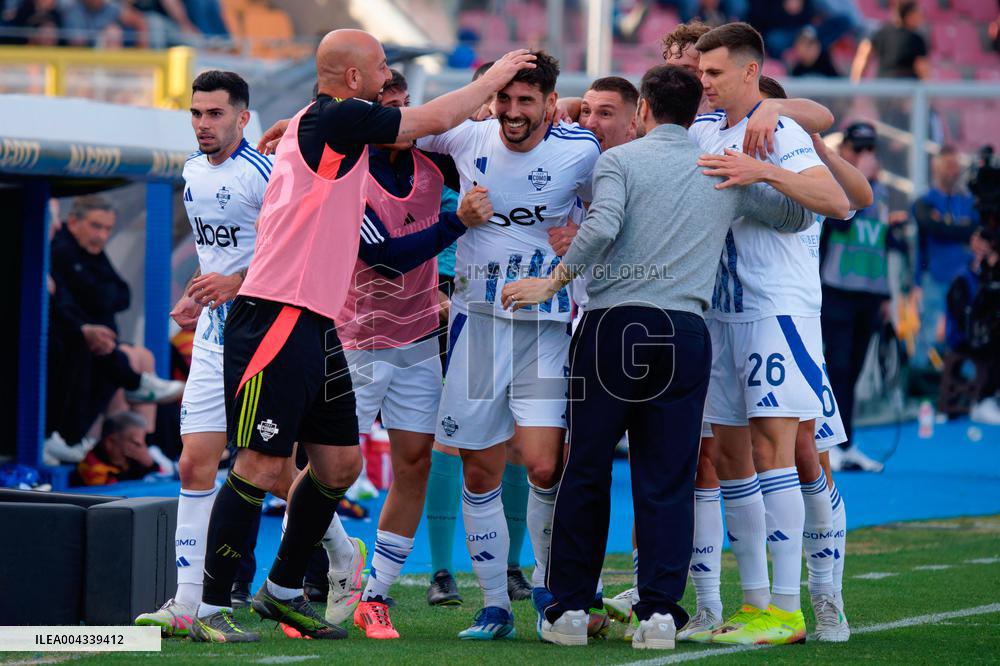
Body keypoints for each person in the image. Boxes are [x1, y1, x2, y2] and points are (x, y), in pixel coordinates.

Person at [187, 30, 536, 644]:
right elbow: (431, 119)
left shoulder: (321, 121)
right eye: (379, 68)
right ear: (352, 79)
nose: (385, 77)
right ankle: (208, 606)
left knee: (341, 464)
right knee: (260, 465)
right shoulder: (340, 118)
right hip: (276, 315)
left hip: (316, 320)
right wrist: (492, 78)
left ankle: (283, 590)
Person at [500, 64, 812, 649]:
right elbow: (797, 215)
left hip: (615, 325)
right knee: (668, 477)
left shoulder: (621, 161)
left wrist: (553, 281)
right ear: (695, 112)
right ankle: (661, 615)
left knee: (586, 468)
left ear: (643, 108)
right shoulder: (721, 167)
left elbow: (602, 226)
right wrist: (763, 172)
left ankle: (570, 610)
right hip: (686, 331)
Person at [415, 51, 601, 641]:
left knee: (544, 464)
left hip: (544, 330)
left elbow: (614, 211)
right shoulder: (467, 134)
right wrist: (297, 126)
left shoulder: (581, 150)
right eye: (505, 98)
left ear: (550, 102)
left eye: (526, 101)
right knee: (478, 469)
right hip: (477, 326)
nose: (512, 112)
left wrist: (582, 235)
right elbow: (400, 124)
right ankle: (494, 605)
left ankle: (549, 588)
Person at [310, 69, 496, 640]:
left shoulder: (432, 164)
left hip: (416, 339)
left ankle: (375, 596)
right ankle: (308, 577)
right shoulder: (348, 173)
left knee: (415, 463)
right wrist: (457, 222)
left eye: (406, 104)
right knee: (327, 471)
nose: (402, 117)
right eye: (389, 107)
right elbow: (386, 257)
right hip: (355, 341)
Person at [687, 21, 848, 646]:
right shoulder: (703, 129)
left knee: (779, 450)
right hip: (719, 313)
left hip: (776, 309)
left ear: (751, 71)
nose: (705, 83)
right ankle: (754, 603)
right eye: (701, 73)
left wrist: (762, 171)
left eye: (715, 73)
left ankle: (793, 606)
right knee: (731, 456)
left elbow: (833, 199)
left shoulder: (778, 130)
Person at [133, 70, 271, 638]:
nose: (203, 124)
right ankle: (187, 601)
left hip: (265, 336)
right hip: (214, 338)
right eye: (196, 113)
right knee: (194, 462)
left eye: (215, 114)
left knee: (270, 470)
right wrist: (197, 292)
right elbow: (216, 254)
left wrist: (236, 283)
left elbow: (291, 254)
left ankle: (339, 554)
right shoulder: (191, 171)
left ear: (243, 117)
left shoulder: (263, 173)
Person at [46, 195, 184, 459]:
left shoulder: (93, 253)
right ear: (72, 222)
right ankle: (90, 440)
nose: (101, 235)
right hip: (72, 336)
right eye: (96, 226)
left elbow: (122, 295)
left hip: (95, 336)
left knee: (141, 357)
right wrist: (92, 310)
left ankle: (145, 442)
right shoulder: (61, 249)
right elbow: (81, 299)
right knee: (113, 358)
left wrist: (96, 296)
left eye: (107, 228)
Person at [820, 122, 905, 474]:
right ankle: (831, 443)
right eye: (858, 149)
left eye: (870, 149)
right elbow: (839, 223)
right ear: (844, 151)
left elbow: (881, 243)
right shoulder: (831, 182)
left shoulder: (881, 192)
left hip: (870, 293)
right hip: (837, 289)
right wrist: (859, 181)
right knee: (837, 367)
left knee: (852, 370)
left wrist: (886, 295)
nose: (866, 155)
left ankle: (845, 442)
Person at [911, 147, 978, 369]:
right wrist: (960, 229)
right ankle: (919, 382)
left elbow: (973, 229)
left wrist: (945, 226)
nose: (953, 171)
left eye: (955, 166)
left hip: (964, 280)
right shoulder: (926, 201)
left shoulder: (968, 202)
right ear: (936, 168)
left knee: (965, 334)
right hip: (935, 277)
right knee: (928, 335)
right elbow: (930, 227)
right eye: (948, 165)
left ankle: (965, 385)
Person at [850, 0, 928, 82]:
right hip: (907, 86)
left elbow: (863, 56)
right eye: (919, 15)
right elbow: (921, 66)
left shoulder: (880, 32)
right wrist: (927, 86)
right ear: (909, 16)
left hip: (884, 85)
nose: (921, 19)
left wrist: (855, 82)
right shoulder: (916, 39)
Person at [75, 412, 158, 486]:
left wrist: (150, 465)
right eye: (136, 442)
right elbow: (111, 491)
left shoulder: (136, 461)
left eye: (144, 442)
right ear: (110, 442)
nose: (143, 448)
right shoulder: (90, 467)